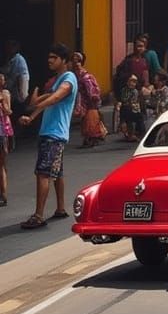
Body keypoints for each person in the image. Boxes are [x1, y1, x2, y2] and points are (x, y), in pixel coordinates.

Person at [18, 44, 78, 229]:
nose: (49, 60)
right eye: (49, 57)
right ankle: (60, 208)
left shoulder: (68, 78)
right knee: (56, 172)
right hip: (53, 132)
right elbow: (44, 101)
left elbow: (54, 98)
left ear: (64, 61)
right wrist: (33, 113)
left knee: (43, 173)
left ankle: (38, 216)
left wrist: (36, 107)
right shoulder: (58, 80)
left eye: (54, 57)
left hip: (54, 133)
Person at [72, 52, 106, 148]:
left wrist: (92, 98)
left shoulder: (85, 76)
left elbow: (90, 90)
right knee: (85, 119)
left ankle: (91, 138)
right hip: (82, 99)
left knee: (89, 119)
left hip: (88, 100)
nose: (75, 63)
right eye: (74, 59)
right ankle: (89, 138)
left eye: (77, 60)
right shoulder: (75, 74)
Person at [2, 38, 30, 119]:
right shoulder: (10, 60)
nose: (9, 48)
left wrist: (22, 97)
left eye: (12, 45)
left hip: (17, 99)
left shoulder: (19, 60)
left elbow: (23, 78)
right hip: (11, 97)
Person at [118, 74, 145, 141]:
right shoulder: (124, 90)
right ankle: (131, 134)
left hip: (133, 109)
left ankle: (139, 133)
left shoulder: (135, 91)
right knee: (129, 118)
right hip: (126, 109)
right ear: (127, 82)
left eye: (134, 82)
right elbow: (124, 99)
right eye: (131, 81)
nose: (132, 83)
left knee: (139, 117)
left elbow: (135, 101)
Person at [0, 71, 12, 206]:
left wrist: (3, 105)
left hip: (3, 130)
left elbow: (9, 111)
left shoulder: (5, 94)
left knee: (2, 163)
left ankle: (3, 194)